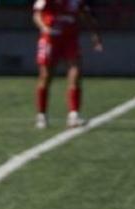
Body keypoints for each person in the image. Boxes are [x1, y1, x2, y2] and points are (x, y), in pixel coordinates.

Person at [33, 0, 103, 129]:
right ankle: (41, 115)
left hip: (70, 39)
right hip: (50, 39)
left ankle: (73, 115)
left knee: (75, 71)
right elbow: (37, 14)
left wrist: (94, 35)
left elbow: (86, 14)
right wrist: (44, 27)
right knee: (46, 76)